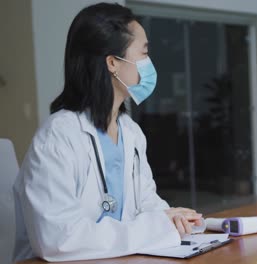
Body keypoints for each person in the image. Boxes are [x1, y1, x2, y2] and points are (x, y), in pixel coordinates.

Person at [13, 3, 202, 262]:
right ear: (113, 63)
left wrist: (170, 216)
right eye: (144, 53)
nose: (149, 65)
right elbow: (58, 240)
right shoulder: (58, 137)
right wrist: (155, 227)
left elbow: (145, 201)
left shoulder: (131, 132)